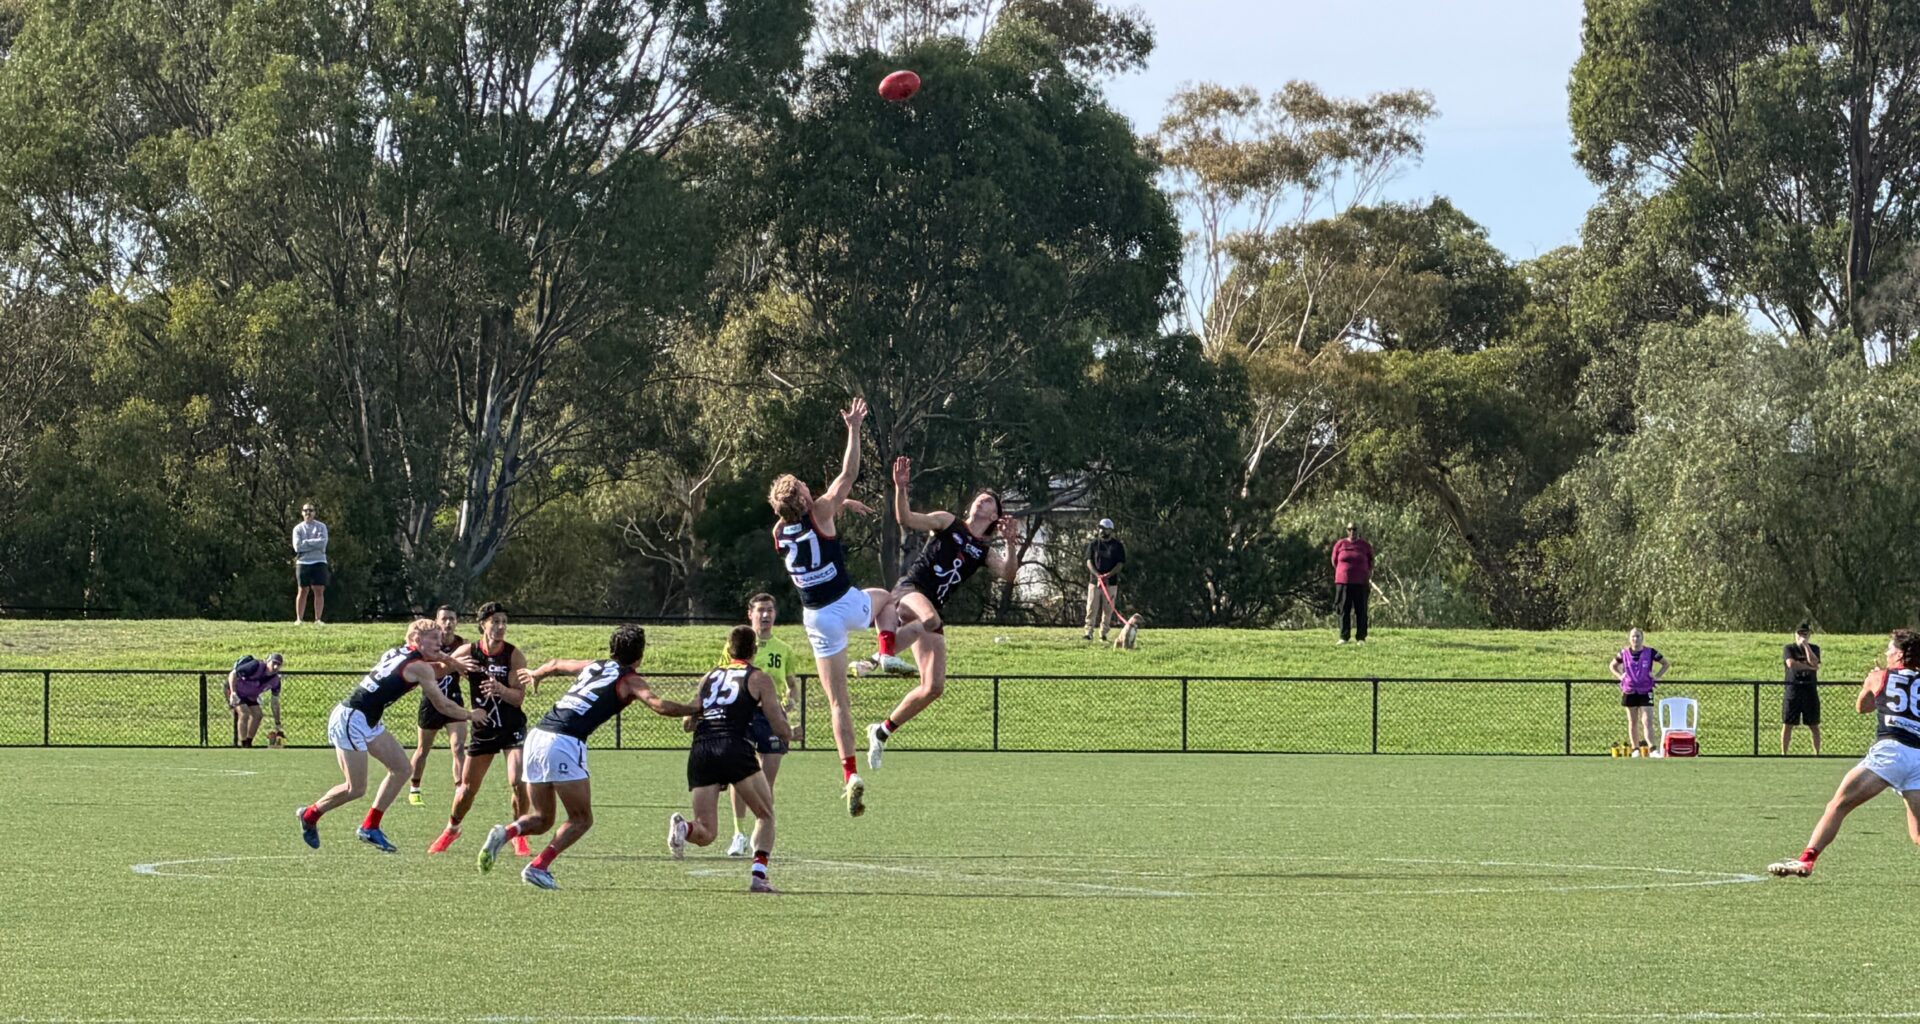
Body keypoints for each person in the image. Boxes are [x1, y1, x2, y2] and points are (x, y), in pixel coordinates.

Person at [477, 625, 695, 889]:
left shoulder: (595, 665)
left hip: (537, 736)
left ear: (612, 649)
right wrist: (697, 707)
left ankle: (505, 832)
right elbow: (659, 705)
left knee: (542, 818)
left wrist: (536, 674)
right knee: (581, 819)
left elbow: (557, 664)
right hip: (565, 741)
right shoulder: (630, 680)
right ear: (640, 655)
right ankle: (538, 866)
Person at [766, 397, 896, 817]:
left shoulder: (779, 531)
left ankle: (849, 774)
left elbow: (822, 508)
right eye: (804, 486)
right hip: (846, 602)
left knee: (838, 702)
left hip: (815, 617)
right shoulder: (820, 509)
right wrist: (854, 428)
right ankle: (886, 655)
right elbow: (848, 474)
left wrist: (840, 505)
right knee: (887, 600)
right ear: (804, 498)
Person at [862, 455, 1018, 771]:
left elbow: (1009, 575)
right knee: (931, 620)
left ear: (995, 515)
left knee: (933, 688)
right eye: (979, 498)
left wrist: (1012, 544)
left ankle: (881, 731)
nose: (980, 501)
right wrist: (900, 488)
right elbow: (905, 518)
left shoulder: (984, 551)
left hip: (931, 609)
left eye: (988, 501)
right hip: (910, 591)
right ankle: (878, 657)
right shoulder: (949, 522)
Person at [296, 619, 482, 852]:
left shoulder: (398, 651)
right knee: (356, 788)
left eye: (439, 636)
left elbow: (434, 664)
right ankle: (310, 815)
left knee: (403, 768)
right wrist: (470, 715)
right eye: (433, 638)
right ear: (416, 639)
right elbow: (443, 704)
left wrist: (451, 660)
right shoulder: (419, 667)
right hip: (351, 718)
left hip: (367, 718)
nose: (439, 641)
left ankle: (370, 827)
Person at [1768, 629, 1920, 878]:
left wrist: (1872, 682)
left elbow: (1863, 707)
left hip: (1892, 751)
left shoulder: (1878, 675)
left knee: (1838, 805)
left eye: (1890, 649)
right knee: (1918, 835)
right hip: (1918, 757)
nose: (1886, 652)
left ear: (1901, 654)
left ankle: (1806, 860)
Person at [667, 626, 794, 893]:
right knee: (766, 814)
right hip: (734, 747)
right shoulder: (759, 678)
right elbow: (778, 725)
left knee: (706, 832)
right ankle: (759, 877)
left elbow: (688, 723)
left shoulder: (710, 676)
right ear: (754, 650)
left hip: (701, 749)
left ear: (728, 647)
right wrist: (792, 733)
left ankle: (684, 828)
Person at [427, 602, 532, 857]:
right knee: (466, 790)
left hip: (511, 727)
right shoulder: (469, 650)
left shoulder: (513, 654)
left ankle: (518, 834)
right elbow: (438, 672)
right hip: (483, 728)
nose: (500, 627)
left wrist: (500, 689)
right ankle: (452, 829)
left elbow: (518, 698)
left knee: (518, 780)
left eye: (504, 622)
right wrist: (454, 664)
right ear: (483, 624)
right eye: (495, 621)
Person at [717, 594, 798, 858]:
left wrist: (790, 700)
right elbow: (723, 677)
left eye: (771, 610)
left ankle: (761, 831)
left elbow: (792, 685)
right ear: (750, 613)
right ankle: (738, 833)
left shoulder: (783, 649)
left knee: (766, 780)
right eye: (761, 610)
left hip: (771, 717)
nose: (766, 615)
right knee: (740, 777)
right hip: (742, 714)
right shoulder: (736, 645)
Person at [408, 605, 468, 804]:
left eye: (452, 619)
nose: (448, 623)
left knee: (458, 747)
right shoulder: (429, 644)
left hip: (454, 699)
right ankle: (414, 788)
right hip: (431, 701)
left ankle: (460, 788)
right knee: (423, 749)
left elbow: (470, 670)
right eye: (444, 619)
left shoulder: (463, 645)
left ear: (457, 621)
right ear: (437, 621)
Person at [1609, 628, 1668, 756]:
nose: (1635, 639)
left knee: (1647, 720)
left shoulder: (1650, 652)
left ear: (1642, 638)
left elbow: (1665, 664)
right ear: (1629, 638)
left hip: (1646, 689)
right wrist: (1620, 676)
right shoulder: (1623, 653)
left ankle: (1652, 749)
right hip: (1629, 690)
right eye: (1633, 637)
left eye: (1638, 636)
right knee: (1632, 721)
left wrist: (1657, 676)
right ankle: (1635, 748)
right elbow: (1612, 665)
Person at [1782, 623, 1823, 756]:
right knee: (1788, 724)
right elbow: (1791, 664)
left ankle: (1817, 753)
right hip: (1793, 690)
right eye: (1800, 634)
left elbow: (1815, 662)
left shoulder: (1814, 648)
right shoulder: (1789, 648)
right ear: (1795, 634)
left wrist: (1805, 646)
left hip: (1809, 690)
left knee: (1814, 725)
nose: (1802, 637)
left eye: (1805, 634)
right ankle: (1784, 754)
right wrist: (1810, 668)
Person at [226, 653, 284, 748]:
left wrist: (277, 722)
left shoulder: (275, 680)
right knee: (244, 713)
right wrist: (233, 693)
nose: (275, 666)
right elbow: (233, 674)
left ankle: (249, 742)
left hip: (250, 695)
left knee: (258, 715)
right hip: (235, 690)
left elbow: (274, 702)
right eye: (274, 663)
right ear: (267, 661)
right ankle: (243, 743)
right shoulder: (255, 666)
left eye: (279, 664)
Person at [1083, 518, 1127, 642]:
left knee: (1108, 610)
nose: (1102, 531)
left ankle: (1103, 633)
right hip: (1095, 582)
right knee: (1091, 607)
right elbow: (1089, 561)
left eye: (1104, 529)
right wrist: (1097, 575)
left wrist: (1108, 575)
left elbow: (1120, 564)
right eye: (1100, 528)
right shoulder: (1093, 544)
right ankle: (1088, 632)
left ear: (1110, 530)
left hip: (1111, 583)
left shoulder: (1117, 546)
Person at [1332, 523, 1373, 645]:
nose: (1352, 532)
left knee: (1361, 610)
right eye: (1349, 529)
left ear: (1358, 531)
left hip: (1360, 582)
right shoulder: (1340, 544)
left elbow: (1371, 561)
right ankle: (1344, 637)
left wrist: (1366, 573)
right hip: (1343, 582)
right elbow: (1334, 561)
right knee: (1344, 609)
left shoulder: (1364, 546)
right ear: (1346, 530)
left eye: (1354, 529)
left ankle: (1361, 637)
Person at [292, 502, 329, 624]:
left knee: (319, 590)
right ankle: (299, 619)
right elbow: (297, 547)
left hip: (319, 561)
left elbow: (323, 543)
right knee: (302, 590)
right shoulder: (297, 529)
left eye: (311, 510)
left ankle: (318, 619)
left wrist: (306, 543)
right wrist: (314, 544)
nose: (308, 513)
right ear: (302, 512)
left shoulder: (321, 527)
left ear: (314, 512)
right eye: (306, 510)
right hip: (303, 562)